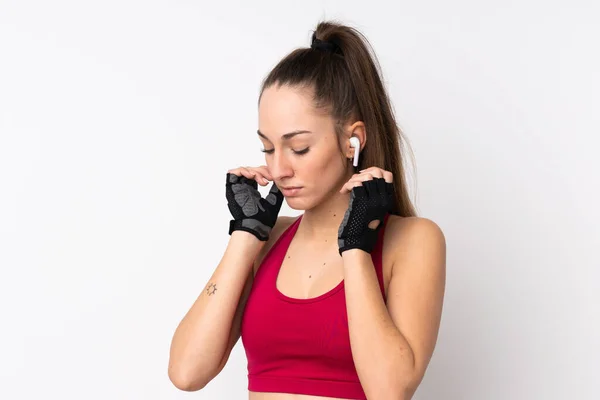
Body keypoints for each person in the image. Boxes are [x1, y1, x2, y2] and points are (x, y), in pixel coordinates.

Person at [168, 20, 446, 400]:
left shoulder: (412, 241)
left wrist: (356, 246)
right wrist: (246, 234)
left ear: (353, 142)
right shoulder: (269, 240)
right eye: (268, 148)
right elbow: (187, 372)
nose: (280, 168)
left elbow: (389, 391)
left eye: (298, 147)